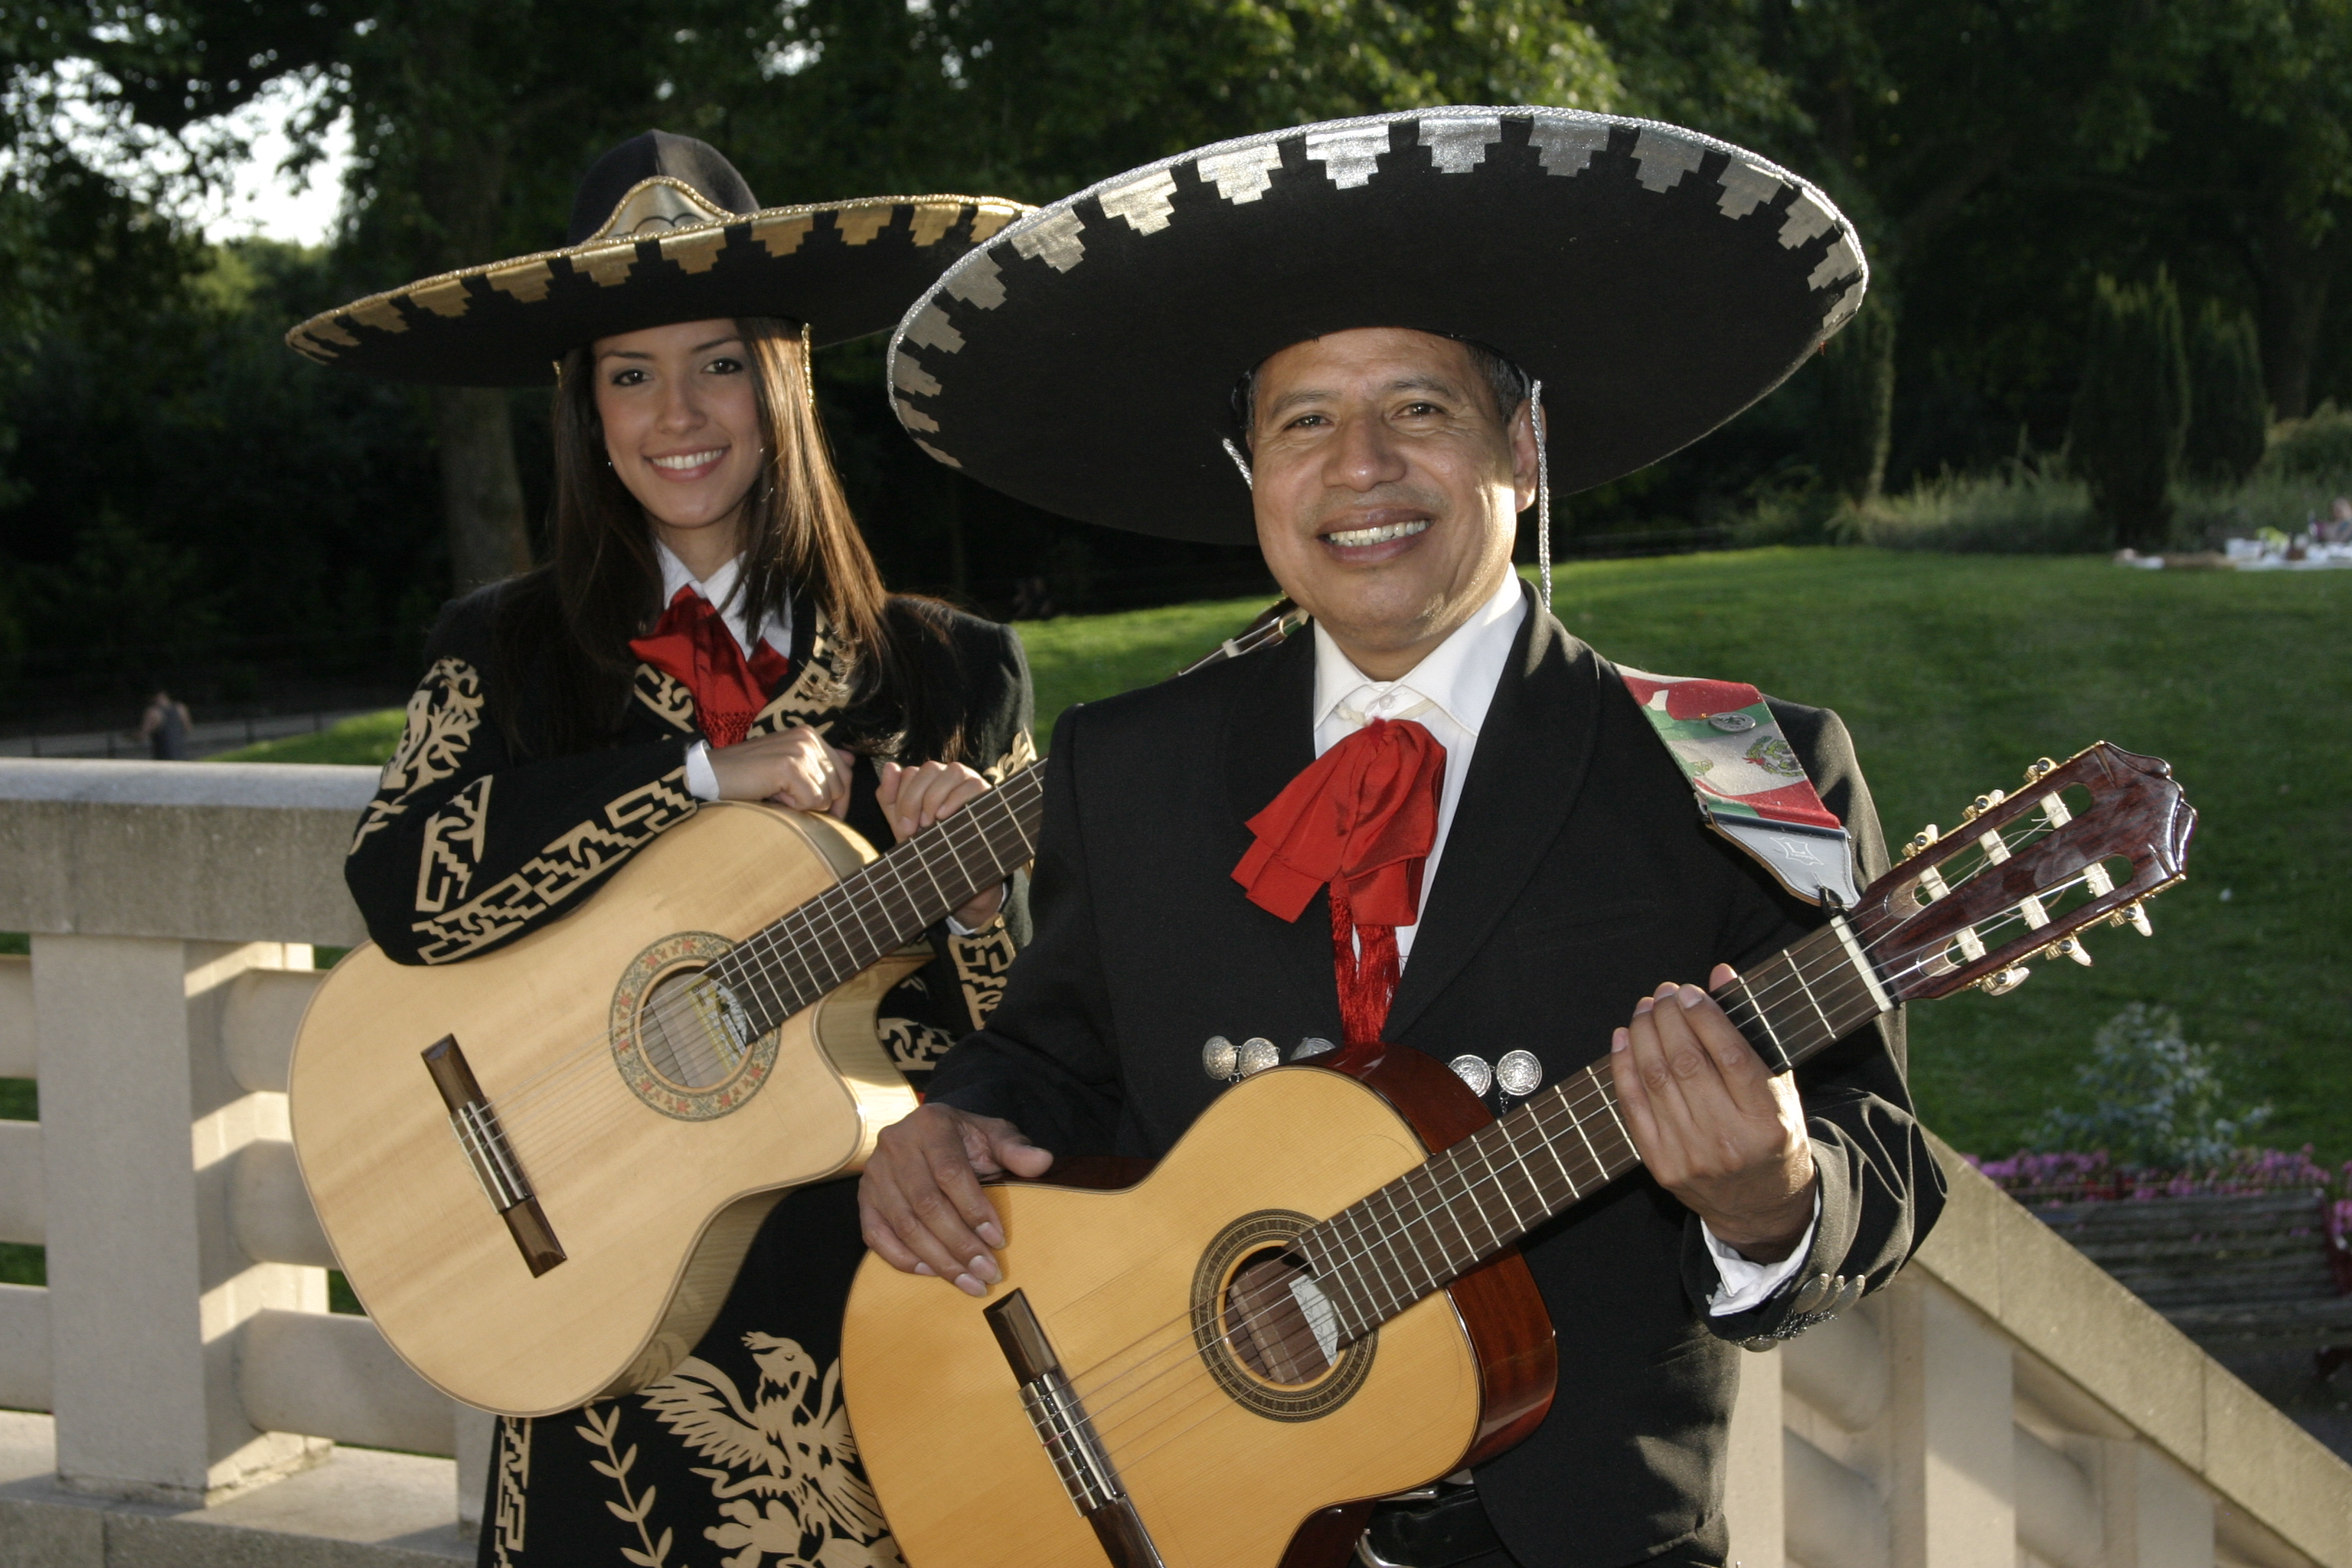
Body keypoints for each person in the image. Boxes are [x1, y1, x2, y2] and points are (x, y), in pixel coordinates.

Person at [858, 109, 1944, 1568]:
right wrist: (949, 1126)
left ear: (1526, 445)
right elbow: (1053, 1059)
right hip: (1198, 1512)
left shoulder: (1739, 767)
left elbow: (1877, 1154)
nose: (1359, 467)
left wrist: (1770, 1201)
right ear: (1252, 474)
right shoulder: (1128, 766)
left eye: (1418, 409)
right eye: (1304, 420)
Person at [295, 132, 1035, 1567]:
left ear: (786, 382)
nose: (676, 412)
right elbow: (404, 884)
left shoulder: (950, 676)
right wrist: (695, 773)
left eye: (718, 363)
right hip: (583, 1290)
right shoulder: (503, 650)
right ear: (584, 407)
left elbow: (1021, 1041)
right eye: (629, 372)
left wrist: (977, 898)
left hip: (872, 1301)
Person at [137, 689, 191, 759]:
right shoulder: (180, 708)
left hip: (163, 756)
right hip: (180, 754)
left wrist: (130, 737)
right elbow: (187, 728)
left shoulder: (153, 712)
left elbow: (143, 735)